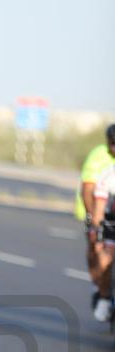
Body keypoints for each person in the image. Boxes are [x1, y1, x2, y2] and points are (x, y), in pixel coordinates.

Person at [75, 124, 115, 319]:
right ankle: (100, 291)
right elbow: (88, 191)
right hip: (99, 211)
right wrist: (94, 224)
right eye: (112, 143)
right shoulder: (100, 159)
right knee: (98, 249)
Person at [88, 160, 115, 322]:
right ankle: (104, 298)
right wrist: (98, 238)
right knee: (105, 259)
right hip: (111, 221)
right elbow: (98, 212)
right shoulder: (109, 175)